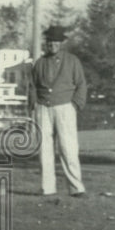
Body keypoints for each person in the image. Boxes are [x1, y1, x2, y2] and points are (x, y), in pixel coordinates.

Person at [28, 24, 87, 199]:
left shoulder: (72, 61)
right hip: (43, 108)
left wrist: (76, 104)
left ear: (61, 43)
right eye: (49, 41)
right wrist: (33, 107)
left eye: (56, 42)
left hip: (65, 107)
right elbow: (32, 86)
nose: (52, 44)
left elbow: (81, 84)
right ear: (46, 43)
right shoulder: (39, 63)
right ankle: (48, 188)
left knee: (68, 148)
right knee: (44, 149)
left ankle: (76, 187)